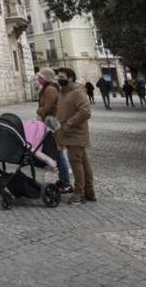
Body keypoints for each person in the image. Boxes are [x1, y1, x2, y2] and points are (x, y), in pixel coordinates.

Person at [55, 67, 95, 204]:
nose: (59, 79)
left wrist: (69, 123)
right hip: (67, 132)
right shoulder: (62, 92)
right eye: (58, 76)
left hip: (77, 133)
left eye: (61, 76)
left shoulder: (77, 92)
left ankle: (79, 193)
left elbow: (85, 112)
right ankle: (89, 191)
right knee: (82, 161)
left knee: (75, 162)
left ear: (70, 78)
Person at [36, 67, 72, 194]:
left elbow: (47, 107)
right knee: (58, 151)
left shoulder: (50, 89)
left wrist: (39, 112)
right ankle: (63, 180)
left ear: (45, 78)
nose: (38, 79)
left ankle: (66, 182)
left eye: (40, 77)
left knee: (59, 152)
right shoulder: (49, 88)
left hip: (53, 124)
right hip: (52, 123)